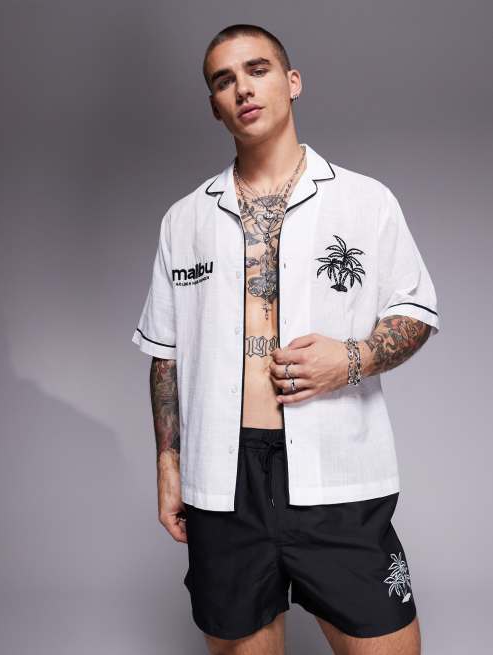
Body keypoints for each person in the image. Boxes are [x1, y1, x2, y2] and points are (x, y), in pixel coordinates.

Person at [131, 23, 440, 655]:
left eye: (258, 69)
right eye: (225, 80)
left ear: (292, 82)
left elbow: (415, 311)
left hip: (338, 472)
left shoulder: (365, 201)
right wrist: (168, 465)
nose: (243, 88)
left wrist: (350, 359)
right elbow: (166, 353)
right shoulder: (184, 220)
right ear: (215, 106)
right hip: (223, 483)